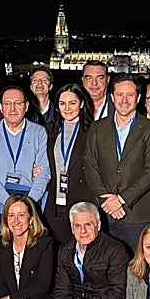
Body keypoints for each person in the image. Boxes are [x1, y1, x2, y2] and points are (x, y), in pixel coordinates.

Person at [85, 74, 150, 251]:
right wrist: (107, 200)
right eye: (120, 95)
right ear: (112, 97)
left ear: (138, 98)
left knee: (138, 264)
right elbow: (90, 166)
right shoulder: (97, 128)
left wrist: (120, 200)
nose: (124, 100)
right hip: (104, 213)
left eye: (130, 95)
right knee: (104, 263)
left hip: (138, 215)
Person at [0, 84, 50, 237]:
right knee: (0, 247)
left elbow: (44, 173)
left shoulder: (39, 132)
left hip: (30, 200)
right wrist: (9, 203)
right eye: (7, 103)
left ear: (26, 106)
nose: (12, 108)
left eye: (18, 103)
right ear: (1, 107)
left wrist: (28, 204)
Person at [43, 83, 96, 245]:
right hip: (54, 202)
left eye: (72, 103)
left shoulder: (93, 131)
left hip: (82, 200)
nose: (67, 108)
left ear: (81, 104)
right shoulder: (49, 130)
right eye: (62, 103)